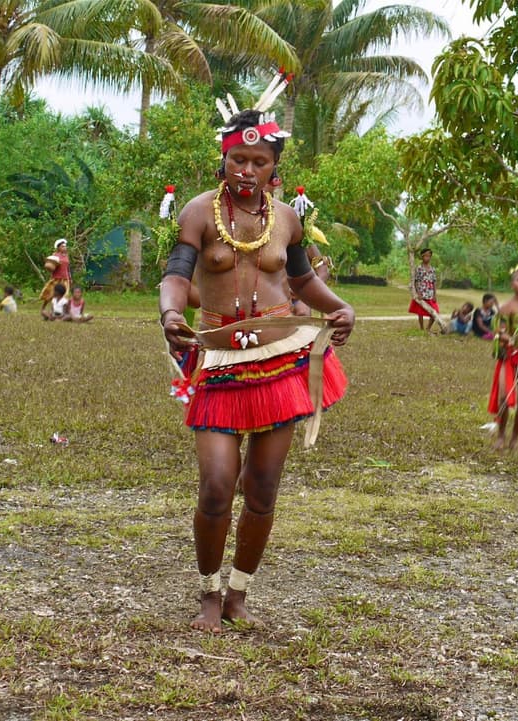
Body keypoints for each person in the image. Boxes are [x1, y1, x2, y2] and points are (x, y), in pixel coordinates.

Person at [158, 78, 355, 633]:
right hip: (219, 360)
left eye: (258, 162)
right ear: (223, 161)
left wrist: (340, 308)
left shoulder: (287, 219)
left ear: (274, 169)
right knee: (218, 485)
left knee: (262, 487)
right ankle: (207, 596)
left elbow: (302, 283)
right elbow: (176, 276)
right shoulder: (198, 213)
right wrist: (171, 315)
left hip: (280, 360)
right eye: (237, 159)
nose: (246, 170)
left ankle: (240, 591)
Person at [488, 266, 518, 450]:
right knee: (503, 398)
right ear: (512, 284)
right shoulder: (506, 308)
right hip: (509, 356)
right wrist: (514, 340)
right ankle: (501, 434)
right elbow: (500, 332)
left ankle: (515, 436)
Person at [408, 248, 439, 332]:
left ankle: (428, 328)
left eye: (429, 256)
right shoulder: (419, 268)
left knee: (435, 311)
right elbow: (416, 281)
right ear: (422, 257)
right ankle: (421, 328)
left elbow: (434, 282)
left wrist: (435, 295)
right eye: (425, 256)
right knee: (420, 312)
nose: (427, 258)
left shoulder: (433, 269)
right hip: (422, 293)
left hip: (430, 293)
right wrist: (418, 293)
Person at [39, 238, 71, 312]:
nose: (65, 248)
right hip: (56, 278)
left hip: (65, 279)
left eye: (65, 246)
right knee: (50, 294)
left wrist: (70, 277)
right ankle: (43, 308)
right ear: (58, 248)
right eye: (63, 246)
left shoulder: (66, 256)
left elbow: (67, 268)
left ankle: (62, 311)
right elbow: (50, 266)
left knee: (65, 295)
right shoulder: (55, 255)